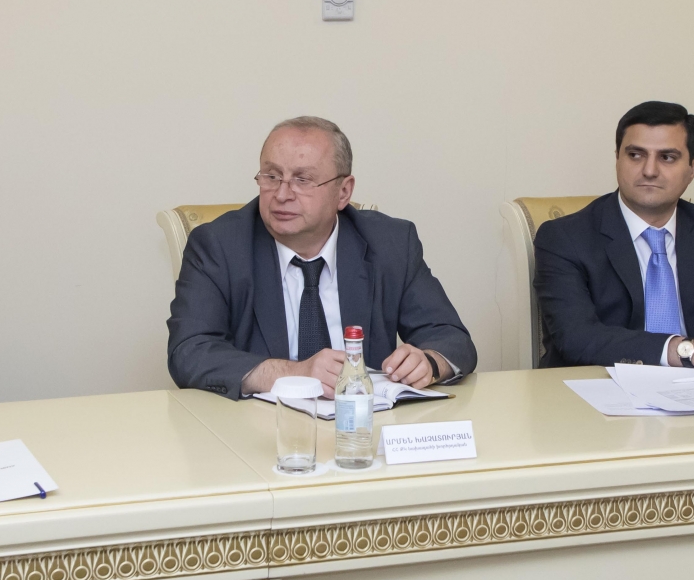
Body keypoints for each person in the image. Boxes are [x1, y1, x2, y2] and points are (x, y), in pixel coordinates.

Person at [167, 116, 475, 399]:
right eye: (271, 176)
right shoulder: (219, 246)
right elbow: (189, 351)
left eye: (303, 180)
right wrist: (293, 373)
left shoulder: (390, 243)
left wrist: (428, 363)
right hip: (256, 429)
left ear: (343, 192)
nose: (282, 194)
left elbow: (450, 338)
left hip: (363, 428)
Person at [534, 101, 694, 368]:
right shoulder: (564, 238)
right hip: (600, 386)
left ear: (692, 168)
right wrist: (688, 350)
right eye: (635, 155)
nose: (649, 171)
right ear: (617, 159)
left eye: (667, 157)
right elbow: (578, 339)